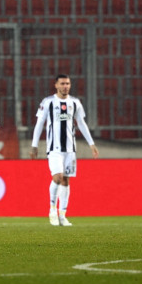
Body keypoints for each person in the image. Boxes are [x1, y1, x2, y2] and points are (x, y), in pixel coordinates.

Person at [30, 74, 99, 226]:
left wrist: (91, 144)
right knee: (58, 177)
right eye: (62, 83)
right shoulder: (48, 102)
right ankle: (52, 210)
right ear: (56, 85)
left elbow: (81, 123)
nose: (65, 86)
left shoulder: (75, 103)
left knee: (66, 181)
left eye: (67, 83)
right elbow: (39, 123)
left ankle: (62, 215)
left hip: (70, 149)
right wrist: (34, 145)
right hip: (54, 148)